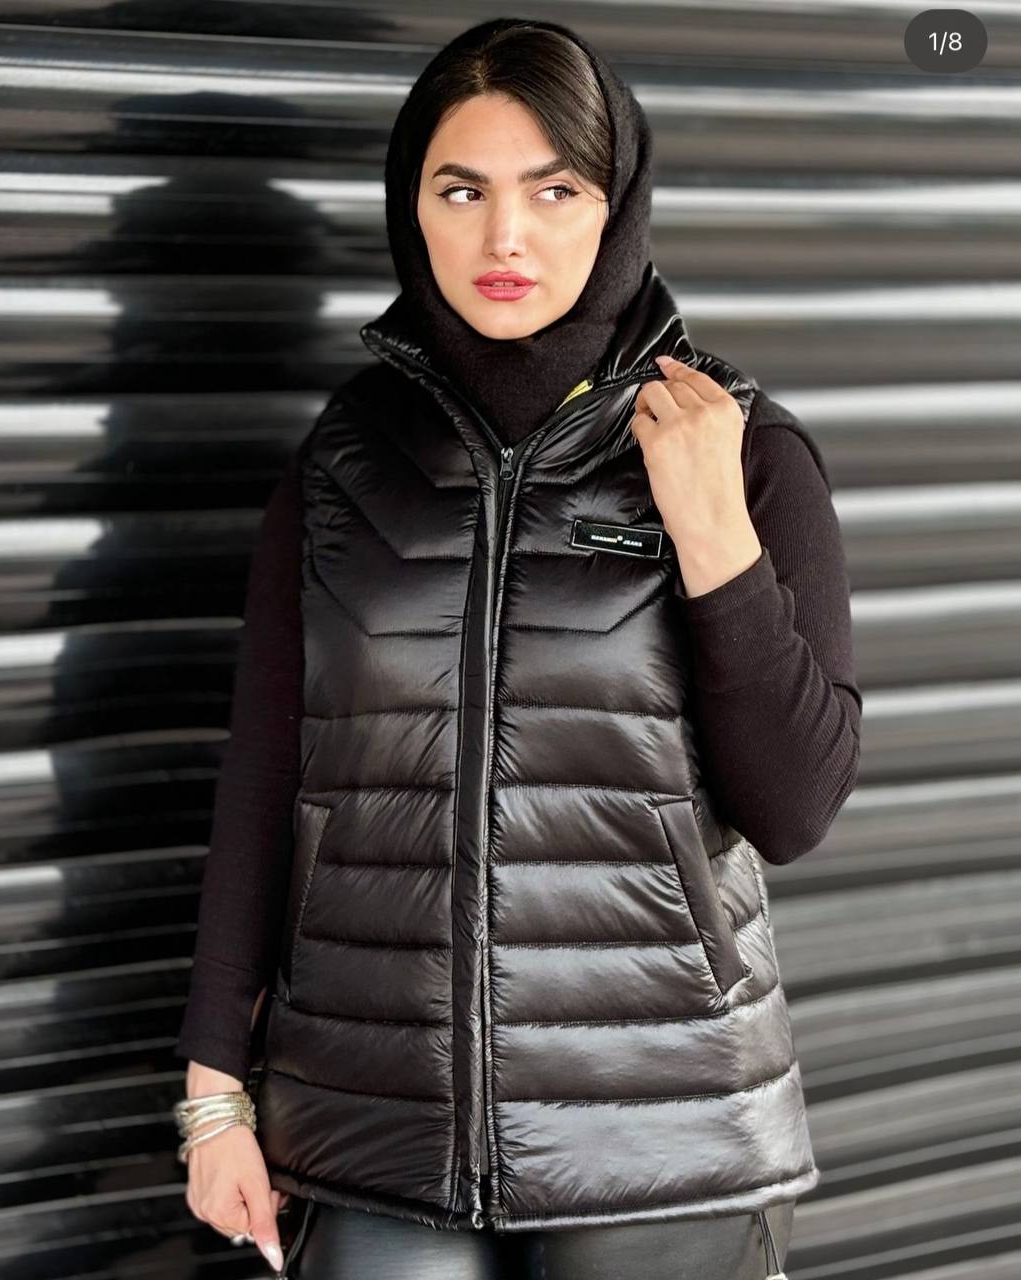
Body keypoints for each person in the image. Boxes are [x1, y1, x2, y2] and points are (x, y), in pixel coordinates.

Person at [174, 17, 862, 1280]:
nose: (506, 237)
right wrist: (215, 1093)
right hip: (376, 1124)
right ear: (413, 207)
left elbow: (796, 805)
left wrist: (713, 533)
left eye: (555, 191)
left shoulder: (740, 445)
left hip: (666, 1129)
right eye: (464, 191)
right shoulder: (346, 462)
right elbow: (267, 778)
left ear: (617, 203)